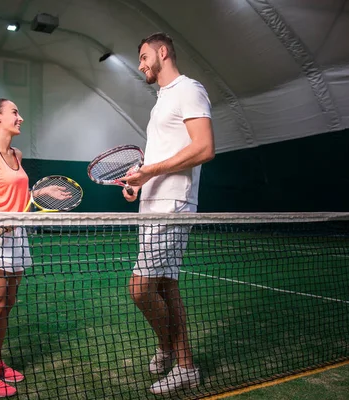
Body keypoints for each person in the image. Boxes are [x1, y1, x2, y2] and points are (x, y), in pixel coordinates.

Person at [122, 32, 215, 395]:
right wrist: (139, 183)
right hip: (154, 203)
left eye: (144, 56)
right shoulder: (161, 102)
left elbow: (204, 147)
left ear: (163, 52)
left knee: (140, 289)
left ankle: (169, 348)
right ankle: (185, 365)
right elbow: (160, 159)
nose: (141, 64)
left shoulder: (189, 89)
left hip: (173, 204)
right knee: (166, 286)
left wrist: (151, 172)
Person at [0, 98, 70, 397]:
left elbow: (19, 193)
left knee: (6, 306)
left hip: (18, 236)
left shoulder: (17, 154)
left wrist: (40, 192)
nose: (20, 118)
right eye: (15, 113)